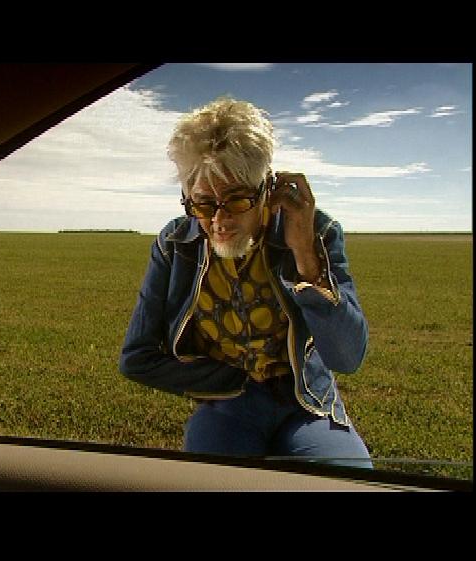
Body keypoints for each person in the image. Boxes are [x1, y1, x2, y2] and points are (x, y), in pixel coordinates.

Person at [119, 96, 373, 469]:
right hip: (228, 403)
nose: (219, 220)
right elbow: (136, 358)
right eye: (203, 204)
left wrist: (305, 256)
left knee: (348, 481)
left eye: (237, 200)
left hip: (305, 402)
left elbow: (346, 358)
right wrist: (228, 380)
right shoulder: (174, 245)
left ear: (267, 189)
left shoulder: (315, 231)